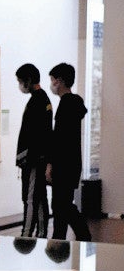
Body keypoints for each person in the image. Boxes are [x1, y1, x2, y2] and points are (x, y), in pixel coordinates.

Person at [46, 63, 91, 241]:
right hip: (71, 164)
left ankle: (69, 239)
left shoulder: (66, 104)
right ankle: (63, 240)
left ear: (60, 81)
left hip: (63, 164)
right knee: (62, 205)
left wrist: (51, 164)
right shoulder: (74, 103)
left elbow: (60, 139)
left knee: (60, 206)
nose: (52, 84)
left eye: (52, 80)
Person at [15, 63, 53, 238]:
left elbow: (38, 135)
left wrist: (30, 157)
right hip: (33, 158)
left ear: (28, 80)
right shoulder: (39, 99)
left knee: (30, 198)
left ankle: (27, 233)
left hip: (33, 160)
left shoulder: (38, 100)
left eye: (21, 81)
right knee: (38, 197)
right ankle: (41, 232)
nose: (20, 85)